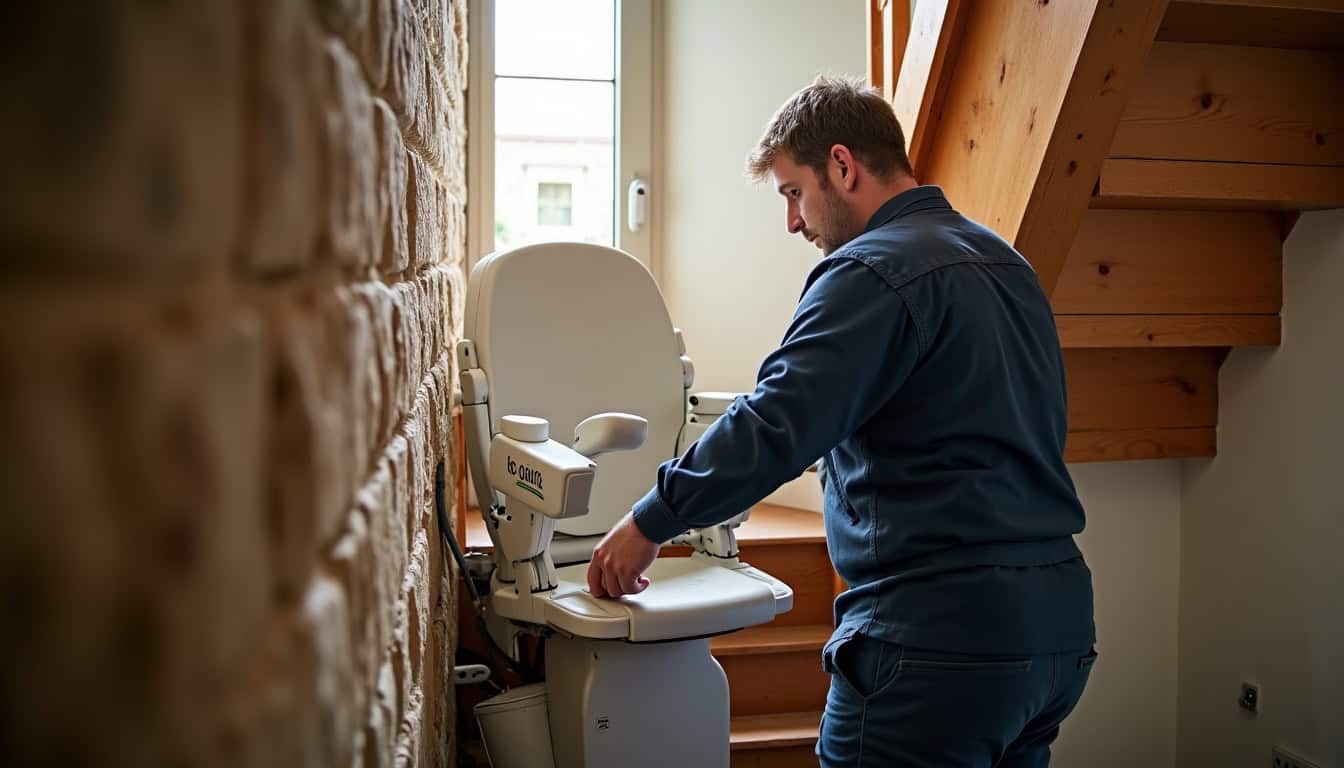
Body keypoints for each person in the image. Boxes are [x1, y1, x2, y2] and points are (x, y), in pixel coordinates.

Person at [586, 76, 1096, 767]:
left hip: (937, 639)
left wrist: (650, 520)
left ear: (843, 166)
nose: (794, 222)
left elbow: (776, 423)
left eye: (793, 193)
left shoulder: (869, 271)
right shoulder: (1007, 264)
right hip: (1055, 631)